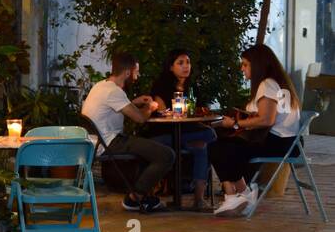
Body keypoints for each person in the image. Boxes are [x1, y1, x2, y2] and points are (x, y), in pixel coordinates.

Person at [207, 44, 302, 216]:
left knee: (217, 147)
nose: (242, 68)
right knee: (221, 145)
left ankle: (236, 194)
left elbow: (267, 119)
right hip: (288, 142)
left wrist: (235, 124)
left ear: (257, 65)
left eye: (245, 64)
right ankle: (239, 194)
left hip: (279, 142)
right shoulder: (277, 82)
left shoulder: (267, 84)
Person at [81, 52, 175, 212]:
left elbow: (114, 108)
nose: (137, 76)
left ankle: (142, 195)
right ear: (127, 72)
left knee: (150, 148)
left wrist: (134, 102)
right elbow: (139, 118)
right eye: (136, 72)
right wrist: (151, 107)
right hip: (110, 142)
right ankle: (135, 198)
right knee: (167, 155)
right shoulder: (114, 92)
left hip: (97, 141)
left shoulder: (102, 86)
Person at [145, 49, 218, 211]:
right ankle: (195, 199)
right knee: (209, 134)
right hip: (163, 135)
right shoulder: (161, 85)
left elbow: (201, 109)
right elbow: (163, 113)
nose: (186, 66)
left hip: (186, 134)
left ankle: (198, 200)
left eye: (188, 62)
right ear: (171, 67)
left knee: (201, 147)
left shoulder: (192, 86)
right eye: (180, 63)